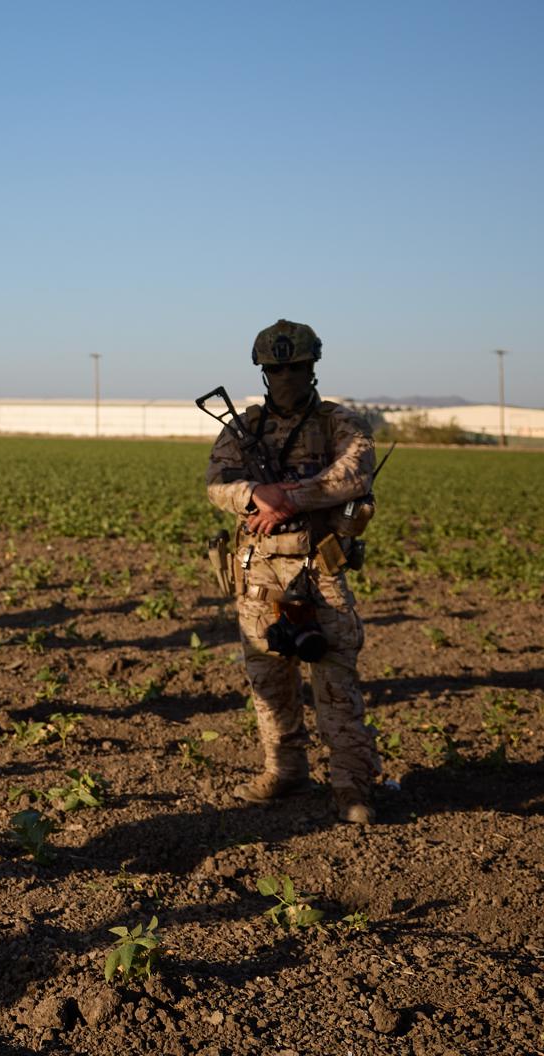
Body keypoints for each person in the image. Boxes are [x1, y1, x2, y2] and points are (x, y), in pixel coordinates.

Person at [206, 319, 380, 824]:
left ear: (312, 367)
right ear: (263, 371)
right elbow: (216, 483)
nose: (287, 376)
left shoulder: (337, 422)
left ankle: (352, 786)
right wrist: (252, 495)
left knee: (335, 686)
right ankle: (285, 770)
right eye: (276, 368)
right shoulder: (244, 427)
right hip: (256, 573)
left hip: (319, 573)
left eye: (296, 367)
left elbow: (354, 471)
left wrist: (290, 500)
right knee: (268, 684)